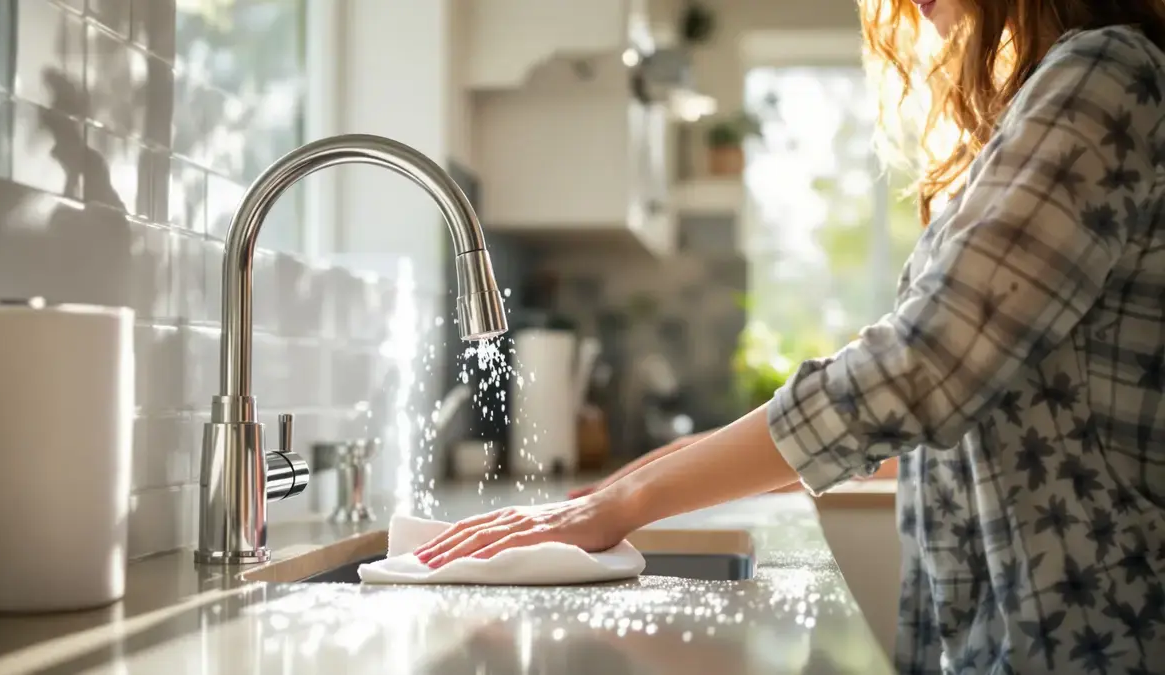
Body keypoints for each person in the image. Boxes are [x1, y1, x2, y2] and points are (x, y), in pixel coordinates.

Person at [416, 0, 1165, 671]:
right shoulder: (1063, 95)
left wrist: (624, 499)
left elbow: (919, 368)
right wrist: (627, 484)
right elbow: (964, 413)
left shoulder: (1103, 76)